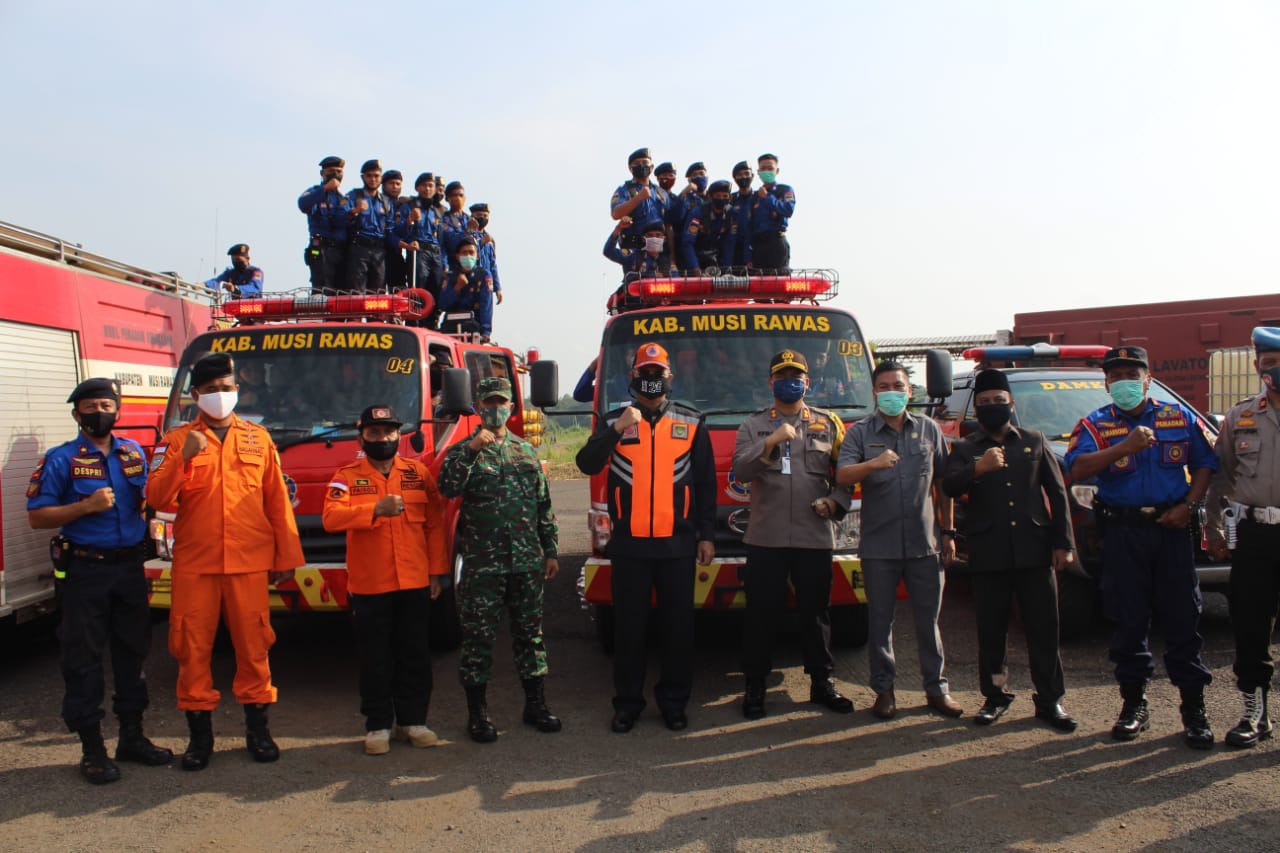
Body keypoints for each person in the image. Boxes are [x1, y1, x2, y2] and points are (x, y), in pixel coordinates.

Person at [145, 353, 305, 770]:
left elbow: (277, 502)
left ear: (237, 390)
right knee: (191, 648)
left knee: (254, 647)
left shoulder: (258, 438)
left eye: (226, 388)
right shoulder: (177, 441)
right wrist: (182, 459)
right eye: (211, 390)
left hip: (248, 563)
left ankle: (258, 730)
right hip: (196, 564)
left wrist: (287, 556)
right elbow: (156, 499)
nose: (220, 395)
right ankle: (200, 739)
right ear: (195, 395)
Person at [1065, 345, 1216, 748]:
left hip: (1171, 530)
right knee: (1128, 620)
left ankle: (1194, 711)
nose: (1125, 383)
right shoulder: (1095, 424)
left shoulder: (1177, 416)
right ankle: (1134, 706)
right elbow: (1076, 469)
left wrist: (1190, 505)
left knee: (1184, 619)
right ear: (1106, 383)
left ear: (1148, 379)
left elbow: (1206, 463)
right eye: (1116, 376)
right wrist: (1123, 448)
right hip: (1123, 533)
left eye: (1133, 375)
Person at [26, 378, 173, 784]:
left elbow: (153, 500)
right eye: (89, 407)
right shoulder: (61, 459)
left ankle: (132, 738)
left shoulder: (132, 453)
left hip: (129, 570)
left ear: (118, 410)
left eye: (106, 405)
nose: (98, 412)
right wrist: (85, 506)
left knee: (133, 654)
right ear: (76, 414)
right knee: (83, 660)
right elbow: (37, 517)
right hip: (85, 572)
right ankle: (92, 750)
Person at [575, 343, 716, 733]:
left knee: (678, 630)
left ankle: (673, 703)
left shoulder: (691, 422)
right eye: (645, 373)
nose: (651, 380)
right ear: (632, 378)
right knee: (630, 630)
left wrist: (706, 535)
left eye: (658, 373)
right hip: (630, 546)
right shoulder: (615, 421)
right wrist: (618, 428)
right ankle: (628, 704)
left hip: (678, 545)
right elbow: (587, 463)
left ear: (670, 378)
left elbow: (705, 485)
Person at [941, 369, 1078, 731]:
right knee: (991, 630)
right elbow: (949, 486)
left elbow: (1058, 494)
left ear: (1011, 404)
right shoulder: (966, 447)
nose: (992, 408)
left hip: (1034, 550)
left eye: (998, 402)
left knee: (1043, 629)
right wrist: (977, 469)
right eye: (984, 403)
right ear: (976, 409)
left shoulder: (1034, 440)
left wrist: (1064, 544)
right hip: (989, 552)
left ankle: (1050, 701)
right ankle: (995, 696)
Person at [836, 361, 962, 719]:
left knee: (928, 622)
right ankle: (884, 692)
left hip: (925, 544)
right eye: (885, 386)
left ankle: (937, 691)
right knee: (880, 623)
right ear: (875, 392)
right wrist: (873, 465)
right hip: (879, 547)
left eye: (899, 386)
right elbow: (843, 474)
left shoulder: (929, 430)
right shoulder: (860, 433)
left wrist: (948, 532)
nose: (892, 392)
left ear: (910, 391)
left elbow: (943, 485)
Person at [438, 377, 561, 743]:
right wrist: (473, 449)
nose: (495, 408)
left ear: (511, 406)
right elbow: (447, 487)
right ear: (478, 406)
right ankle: (477, 715)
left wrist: (550, 549)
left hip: (525, 562)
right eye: (489, 402)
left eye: (502, 402)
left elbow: (543, 505)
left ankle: (535, 705)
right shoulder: (464, 451)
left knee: (530, 636)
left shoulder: (525, 451)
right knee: (478, 639)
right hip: (483, 566)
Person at [732, 351, 854, 719]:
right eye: (782, 375)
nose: (790, 381)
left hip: (813, 537)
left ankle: (822, 682)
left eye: (796, 375)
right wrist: (769, 443)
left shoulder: (828, 423)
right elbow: (740, 470)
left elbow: (845, 475)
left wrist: (835, 503)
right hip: (765, 538)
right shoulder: (753, 426)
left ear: (807, 382)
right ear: (771, 383)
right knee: (760, 616)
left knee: (816, 615)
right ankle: (755, 686)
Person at [322, 405, 449, 755]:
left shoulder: (417, 473)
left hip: (414, 582)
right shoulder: (346, 476)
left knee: (414, 654)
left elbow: (435, 525)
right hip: (370, 584)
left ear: (398, 434)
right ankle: (378, 725)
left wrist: (437, 572)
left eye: (389, 432)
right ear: (362, 435)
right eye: (375, 433)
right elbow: (331, 518)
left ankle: (414, 721)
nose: (383, 438)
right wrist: (374, 509)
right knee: (375, 657)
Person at [1206, 327, 1280, 748]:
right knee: (1251, 624)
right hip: (1256, 534)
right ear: (1257, 367)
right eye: (1269, 363)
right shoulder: (1240, 416)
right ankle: (1255, 712)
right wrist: (1215, 526)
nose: (1276, 370)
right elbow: (1221, 477)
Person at [344, 159, 397, 293]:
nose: (373, 179)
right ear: (363, 177)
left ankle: (375, 315)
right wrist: (355, 211)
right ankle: (356, 315)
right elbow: (341, 219)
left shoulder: (386, 202)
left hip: (379, 250)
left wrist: (402, 243)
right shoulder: (353, 196)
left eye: (376, 176)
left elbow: (390, 229)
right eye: (369, 175)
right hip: (359, 249)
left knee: (377, 293)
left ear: (381, 178)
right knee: (356, 292)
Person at [297, 155, 349, 292]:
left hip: (340, 250)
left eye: (339, 171)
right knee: (322, 293)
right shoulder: (315, 191)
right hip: (321, 248)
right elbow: (303, 204)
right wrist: (325, 188)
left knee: (342, 294)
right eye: (331, 170)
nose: (335, 174)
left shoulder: (344, 198)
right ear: (322, 173)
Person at [398, 173, 446, 313]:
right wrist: (410, 220)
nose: (427, 189)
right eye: (424, 185)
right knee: (417, 292)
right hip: (418, 253)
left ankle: (431, 326)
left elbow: (443, 240)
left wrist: (445, 263)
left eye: (431, 185)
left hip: (436, 254)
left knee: (435, 292)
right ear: (417, 188)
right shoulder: (409, 206)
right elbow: (398, 232)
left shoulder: (438, 211)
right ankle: (415, 324)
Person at [610, 148, 672, 250]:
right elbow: (616, 214)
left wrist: (672, 258)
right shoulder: (624, 190)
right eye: (637, 163)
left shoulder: (661, 193)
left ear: (651, 167)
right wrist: (638, 198)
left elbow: (669, 226)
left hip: (657, 249)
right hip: (634, 249)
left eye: (645, 162)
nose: (641, 165)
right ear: (630, 168)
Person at [438, 236, 495, 338]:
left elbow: (486, 305)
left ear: (477, 255)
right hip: (450, 327)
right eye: (464, 253)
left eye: (471, 252)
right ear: (458, 256)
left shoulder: (483, 275)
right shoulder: (451, 277)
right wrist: (457, 288)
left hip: (473, 327)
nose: (468, 256)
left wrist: (486, 332)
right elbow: (442, 305)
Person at [748, 153, 796, 272]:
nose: (766, 171)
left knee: (778, 283)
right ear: (758, 172)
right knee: (759, 285)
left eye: (770, 168)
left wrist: (768, 197)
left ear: (777, 171)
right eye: (763, 169)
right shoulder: (754, 197)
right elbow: (749, 226)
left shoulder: (784, 190)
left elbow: (788, 210)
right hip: (758, 246)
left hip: (776, 242)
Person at [681, 180, 738, 274]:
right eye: (718, 196)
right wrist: (695, 268)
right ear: (710, 197)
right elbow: (688, 243)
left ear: (730, 198)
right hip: (697, 255)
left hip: (717, 257)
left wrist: (725, 270)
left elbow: (730, 244)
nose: (721, 199)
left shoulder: (732, 214)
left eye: (725, 196)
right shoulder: (697, 213)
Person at [470, 203, 503, 305]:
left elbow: (493, 265)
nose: (482, 218)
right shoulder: (468, 235)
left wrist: (498, 288)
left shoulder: (490, 239)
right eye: (479, 215)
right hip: (472, 281)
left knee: (486, 314)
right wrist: (480, 244)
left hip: (487, 282)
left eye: (485, 216)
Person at [381, 170, 408, 290]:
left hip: (396, 253)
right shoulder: (379, 202)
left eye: (398, 184)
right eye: (391, 183)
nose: (394, 187)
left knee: (399, 289)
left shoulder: (404, 206)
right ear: (384, 185)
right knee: (377, 292)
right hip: (379, 250)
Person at [729, 160, 755, 267]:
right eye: (739, 175)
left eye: (746, 174)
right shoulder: (731, 199)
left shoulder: (759, 198)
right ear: (735, 179)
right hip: (734, 250)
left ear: (752, 176)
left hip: (755, 249)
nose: (743, 177)